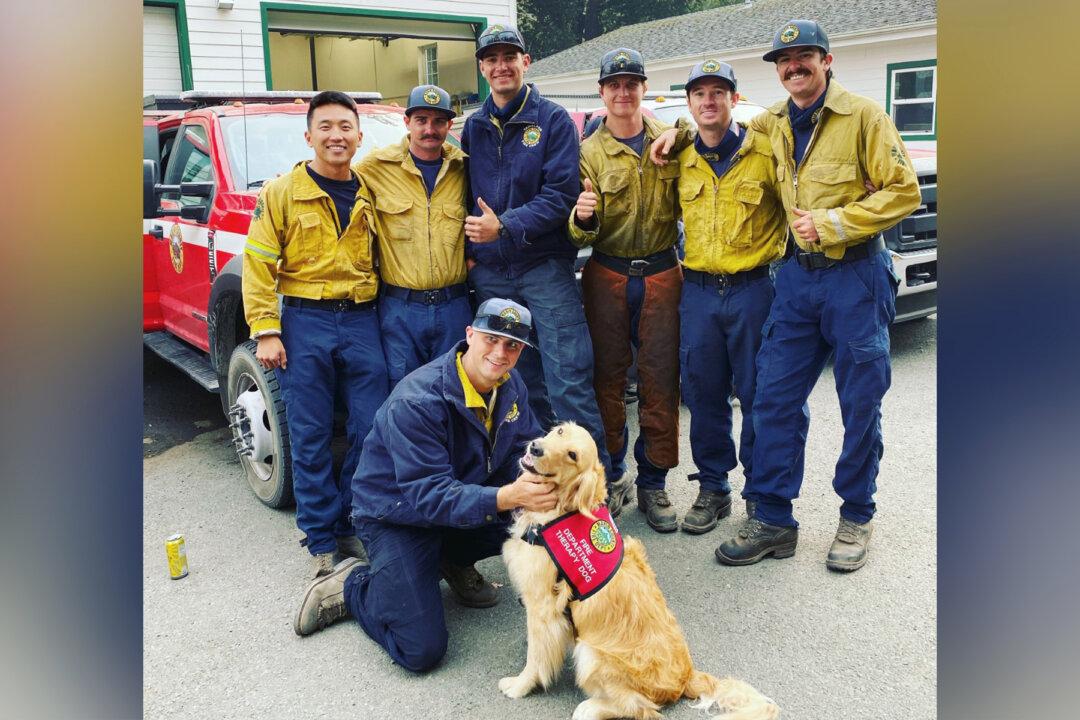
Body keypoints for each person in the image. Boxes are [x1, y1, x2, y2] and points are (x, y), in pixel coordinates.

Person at [713, 20, 921, 571]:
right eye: (785, 59)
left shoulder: (864, 117)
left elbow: (904, 191)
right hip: (797, 281)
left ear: (827, 61)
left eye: (805, 55)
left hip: (855, 276)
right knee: (773, 397)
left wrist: (835, 222)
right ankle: (774, 519)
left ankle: (857, 513)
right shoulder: (773, 121)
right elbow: (721, 132)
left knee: (860, 400)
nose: (793, 66)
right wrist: (673, 132)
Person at [292, 299, 558, 673]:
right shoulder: (418, 400)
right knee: (421, 649)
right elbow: (429, 496)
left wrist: (552, 484)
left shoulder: (509, 384)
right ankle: (353, 586)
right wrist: (508, 496)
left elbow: (523, 447)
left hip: (460, 497)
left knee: (541, 517)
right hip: (399, 514)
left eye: (512, 345)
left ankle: (451, 558)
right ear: (469, 335)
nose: (500, 353)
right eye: (491, 339)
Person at [460, 25, 625, 508]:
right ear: (482, 67)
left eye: (509, 56)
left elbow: (561, 196)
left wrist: (503, 227)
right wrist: (472, 251)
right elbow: (460, 194)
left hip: (545, 269)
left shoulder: (551, 120)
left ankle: (599, 486)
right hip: (492, 273)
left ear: (525, 61)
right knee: (519, 383)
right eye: (491, 58)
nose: (501, 65)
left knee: (569, 379)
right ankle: (542, 485)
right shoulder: (471, 126)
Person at [242, 90, 388, 579]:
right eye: (325, 126)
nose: (336, 136)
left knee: (369, 429)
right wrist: (265, 330)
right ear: (309, 136)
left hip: (364, 320)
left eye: (345, 127)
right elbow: (258, 263)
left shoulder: (370, 190)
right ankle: (322, 541)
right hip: (305, 322)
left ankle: (350, 520)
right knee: (309, 434)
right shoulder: (281, 193)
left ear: (358, 136)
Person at [670, 61, 788, 536]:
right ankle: (713, 487)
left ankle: (761, 496)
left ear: (735, 99)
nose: (709, 101)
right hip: (697, 292)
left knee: (763, 395)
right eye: (700, 94)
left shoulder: (765, 151)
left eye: (719, 92)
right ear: (690, 103)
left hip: (754, 290)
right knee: (703, 394)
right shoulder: (680, 156)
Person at [568, 48, 683, 533]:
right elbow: (577, 234)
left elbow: (710, 131)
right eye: (613, 84)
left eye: (631, 83)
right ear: (601, 92)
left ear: (642, 88)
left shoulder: (673, 141)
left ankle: (654, 481)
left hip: (661, 272)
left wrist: (685, 129)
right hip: (608, 274)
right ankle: (613, 475)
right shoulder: (586, 153)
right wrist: (583, 218)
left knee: (661, 379)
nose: (623, 92)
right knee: (607, 381)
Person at [355, 84, 471, 388]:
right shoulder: (375, 167)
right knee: (403, 394)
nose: (429, 129)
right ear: (406, 122)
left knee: (455, 389)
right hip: (400, 310)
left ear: (449, 124)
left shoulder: (465, 167)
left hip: (454, 308)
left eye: (438, 121)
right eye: (421, 120)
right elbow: (333, 181)